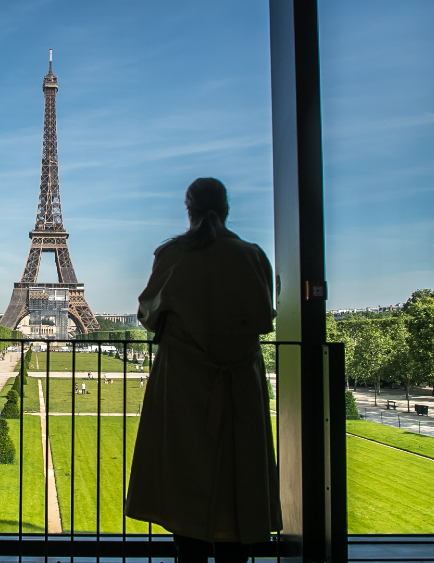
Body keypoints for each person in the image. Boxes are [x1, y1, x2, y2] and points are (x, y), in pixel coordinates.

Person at [125, 178, 281, 563]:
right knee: (238, 482)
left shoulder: (173, 255)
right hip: (239, 384)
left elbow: (148, 315)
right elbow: (265, 315)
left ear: (188, 210)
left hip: (185, 383)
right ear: (226, 209)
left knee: (184, 482)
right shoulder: (252, 256)